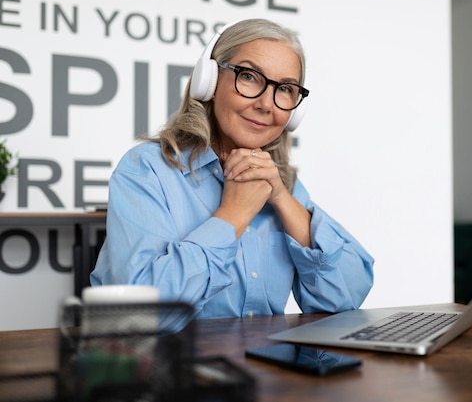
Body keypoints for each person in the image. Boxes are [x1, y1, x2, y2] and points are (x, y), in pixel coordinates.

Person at [91, 18, 374, 318]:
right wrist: (233, 215)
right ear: (209, 82)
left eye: (286, 89)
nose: (267, 104)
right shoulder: (148, 169)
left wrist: (281, 198)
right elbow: (140, 313)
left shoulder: (279, 182)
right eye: (250, 76)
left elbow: (345, 298)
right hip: (167, 362)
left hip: (262, 362)